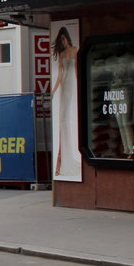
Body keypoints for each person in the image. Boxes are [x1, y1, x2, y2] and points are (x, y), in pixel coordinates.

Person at [51, 25, 80, 178]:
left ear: (67, 37)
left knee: (64, 119)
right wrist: (53, 91)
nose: (62, 42)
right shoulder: (62, 55)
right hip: (64, 86)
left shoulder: (75, 50)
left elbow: (75, 70)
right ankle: (64, 157)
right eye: (60, 40)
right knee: (63, 119)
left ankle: (64, 158)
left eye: (63, 39)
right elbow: (60, 76)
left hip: (71, 85)